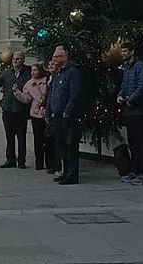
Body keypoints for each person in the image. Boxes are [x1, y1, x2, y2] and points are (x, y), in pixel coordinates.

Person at [117, 41, 143, 186]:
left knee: (140, 141)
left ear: (132, 52)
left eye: (126, 51)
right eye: (122, 51)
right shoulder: (126, 69)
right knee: (132, 141)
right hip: (129, 110)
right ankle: (134, 170)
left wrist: (131, 99)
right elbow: (124, 85)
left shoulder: (140, 67)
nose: (123, 54)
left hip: (139, 110)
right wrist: (120, 95)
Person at [48, 45, 83, 185]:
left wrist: (67, 111)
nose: (55, 59)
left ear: (65, 57)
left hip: (68, 115)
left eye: (57, 57)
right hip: (57, 114)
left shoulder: (72, 71)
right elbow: (52, 93)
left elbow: (75, 93)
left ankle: (72, 174)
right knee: (61, 144)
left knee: (70, 145)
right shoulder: (58, 73)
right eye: (54, 56)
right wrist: (49, 110)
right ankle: (65, 171)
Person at [0, 51, 32, 168]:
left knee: (21, 136)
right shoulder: (7, 73)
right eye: (14, 59)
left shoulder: (28, 73)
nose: (15, 61)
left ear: (23, 60)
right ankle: (10, 159)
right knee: (9, 136)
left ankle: (21, 160)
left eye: (18, 59)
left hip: (20, 109)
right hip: (8, 108)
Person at [17, 63, 50, 170]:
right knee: (38, 139)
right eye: (32, 70)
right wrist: (17, 93)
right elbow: (26, 99)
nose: (33, 72)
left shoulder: (47, 80)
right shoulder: (29, 84)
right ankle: (39, 163)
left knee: (48, 139)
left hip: (46, 112)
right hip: (35, 113)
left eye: (35, 70)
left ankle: (50, 163)